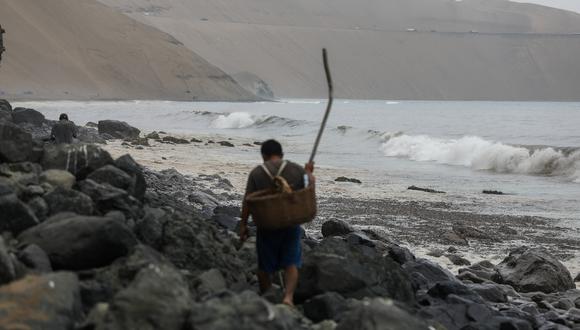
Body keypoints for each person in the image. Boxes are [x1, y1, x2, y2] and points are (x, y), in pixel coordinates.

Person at [240, 139, 315, 306]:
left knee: (264, 265)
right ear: (282, 154)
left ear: (264, 156)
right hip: (291, 222)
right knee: (291, 262)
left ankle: (268, 297)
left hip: (267, 224)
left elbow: (248, 201)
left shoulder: (257, 173)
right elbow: (308, 185)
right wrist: (309, 172)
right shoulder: (296, 169)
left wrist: (243, 225)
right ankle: (288, 297)